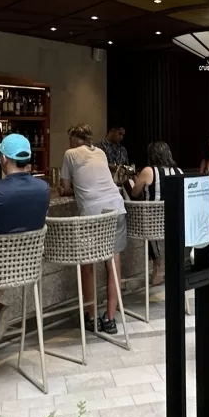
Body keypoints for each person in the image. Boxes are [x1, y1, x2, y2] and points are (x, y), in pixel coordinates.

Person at [59, 124, 127, 333]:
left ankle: (91, 316)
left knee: (87, 263)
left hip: (92, 213)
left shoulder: (70, 154)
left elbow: (65, 188)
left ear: (73, 139)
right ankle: (110, 317)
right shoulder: (101, 153)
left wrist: (69, 189)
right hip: (116, 208)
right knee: (113, 261)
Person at [128, 140, 184, 290]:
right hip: (175, 223)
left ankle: (158, 265)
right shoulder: (179, 171)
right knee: (160, 228)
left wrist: (135, 181)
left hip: (152, 223)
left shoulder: (149, 171)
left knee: (150, 226)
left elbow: (135, 193)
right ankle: (160, 269)